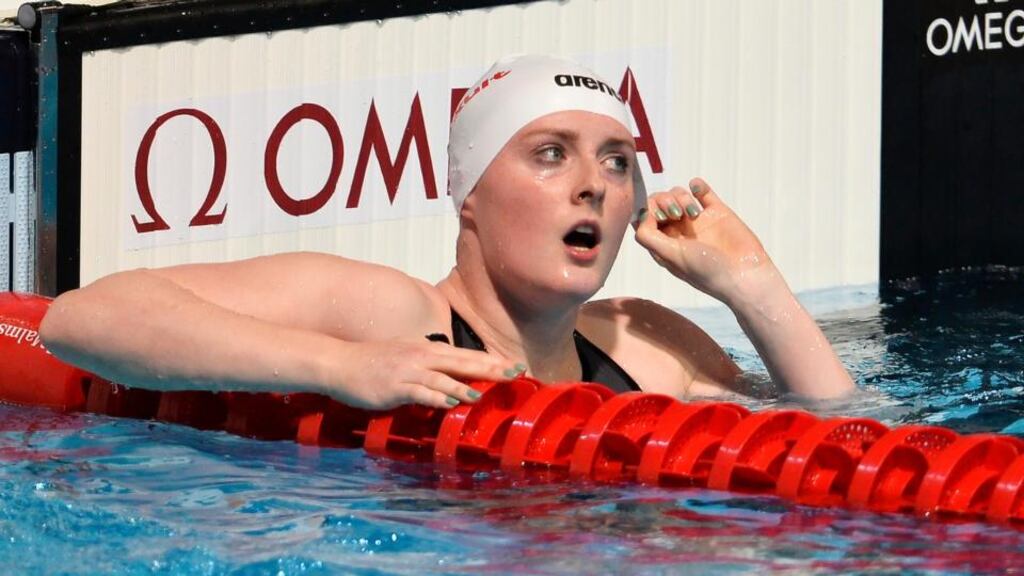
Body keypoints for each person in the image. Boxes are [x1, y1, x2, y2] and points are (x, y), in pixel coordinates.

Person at [39, 55, 854, 411]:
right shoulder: (392, 318)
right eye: (549, 155)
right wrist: (341, 365)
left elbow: (835, 447)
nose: (591, 186)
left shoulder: (647, 345)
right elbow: (83, 317)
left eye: (616, 162)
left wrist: (753, 286)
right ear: (468, 194)